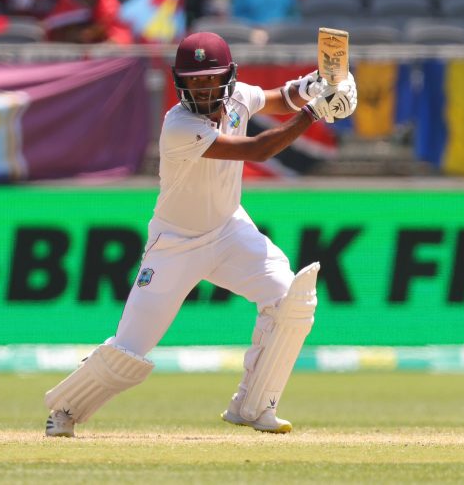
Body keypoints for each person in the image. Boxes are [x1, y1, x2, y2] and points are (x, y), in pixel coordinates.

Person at [43, 31, 357, 437]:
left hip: (230, 230)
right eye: (194, 79)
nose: (202, 87)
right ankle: (65, 409)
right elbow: (258, 149)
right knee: (129, 351)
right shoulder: (179, 126)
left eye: (210, 78)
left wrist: (316, 86)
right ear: (180, 81)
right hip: (175, 244)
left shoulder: (238, 96)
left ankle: (254, 406)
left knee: (290, 299)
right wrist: (316, 113)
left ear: (227, 76)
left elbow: (280, 98)